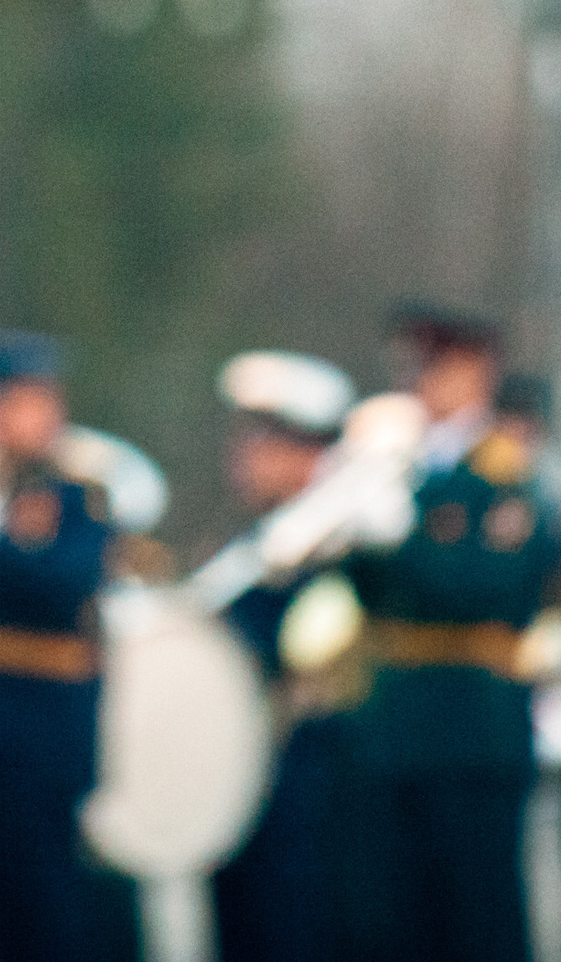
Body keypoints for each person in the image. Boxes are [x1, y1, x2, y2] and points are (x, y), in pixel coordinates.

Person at [338, 303, 554, 962]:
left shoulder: (504, 474)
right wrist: (360, 540)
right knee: (398, 921)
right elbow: (376, 602)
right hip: (399, 727)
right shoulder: (403, 466)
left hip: (474, 732)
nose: (419, 381)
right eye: (413, 366)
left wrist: (398, 539)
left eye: (436, 366)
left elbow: (481, 588)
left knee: (478, 920)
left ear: (477, 373)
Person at [0, 331, 137, 962]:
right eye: (11, 400)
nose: (26, 415)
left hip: (47, 730)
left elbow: (65, 581)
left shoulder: (79, 487)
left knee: (50, 909)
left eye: (37, 399)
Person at [208, 349, 352, 962]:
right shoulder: (252, 546)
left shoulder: (333, 550)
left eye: (263, 441)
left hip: (313, 789)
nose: (242, 454)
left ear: (311, 455)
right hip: (245, 784)